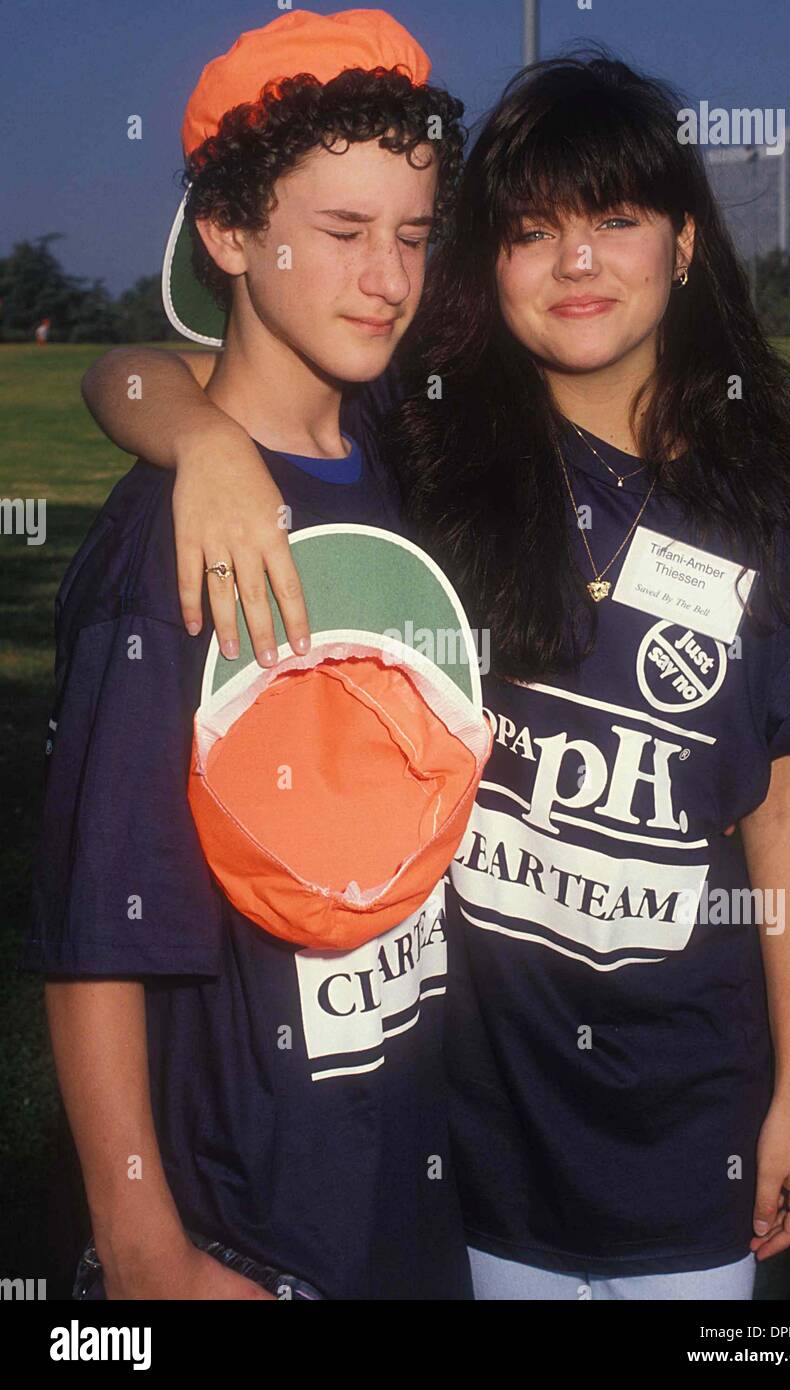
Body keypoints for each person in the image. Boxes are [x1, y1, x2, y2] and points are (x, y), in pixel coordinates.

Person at [79, 52, 790, 1301]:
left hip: (687, 1139)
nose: (574, 264)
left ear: (681, 246)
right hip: (479, 1149)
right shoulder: (432, 442)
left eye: (614, 220)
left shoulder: (761, 504)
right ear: (486, 262)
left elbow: (780, 804)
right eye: (528, 229)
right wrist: (203, 444)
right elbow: (129, 369)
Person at [22, 9, 471, 1300]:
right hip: (248, 1229)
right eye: (339, 234)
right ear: (228, 235)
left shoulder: (386, 447)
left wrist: (181, 419)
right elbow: (94, 927)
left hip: (393, 1189)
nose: (385, 277)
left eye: (411, 234)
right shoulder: (170, 545)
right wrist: (149, 1248)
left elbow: (132, 374)